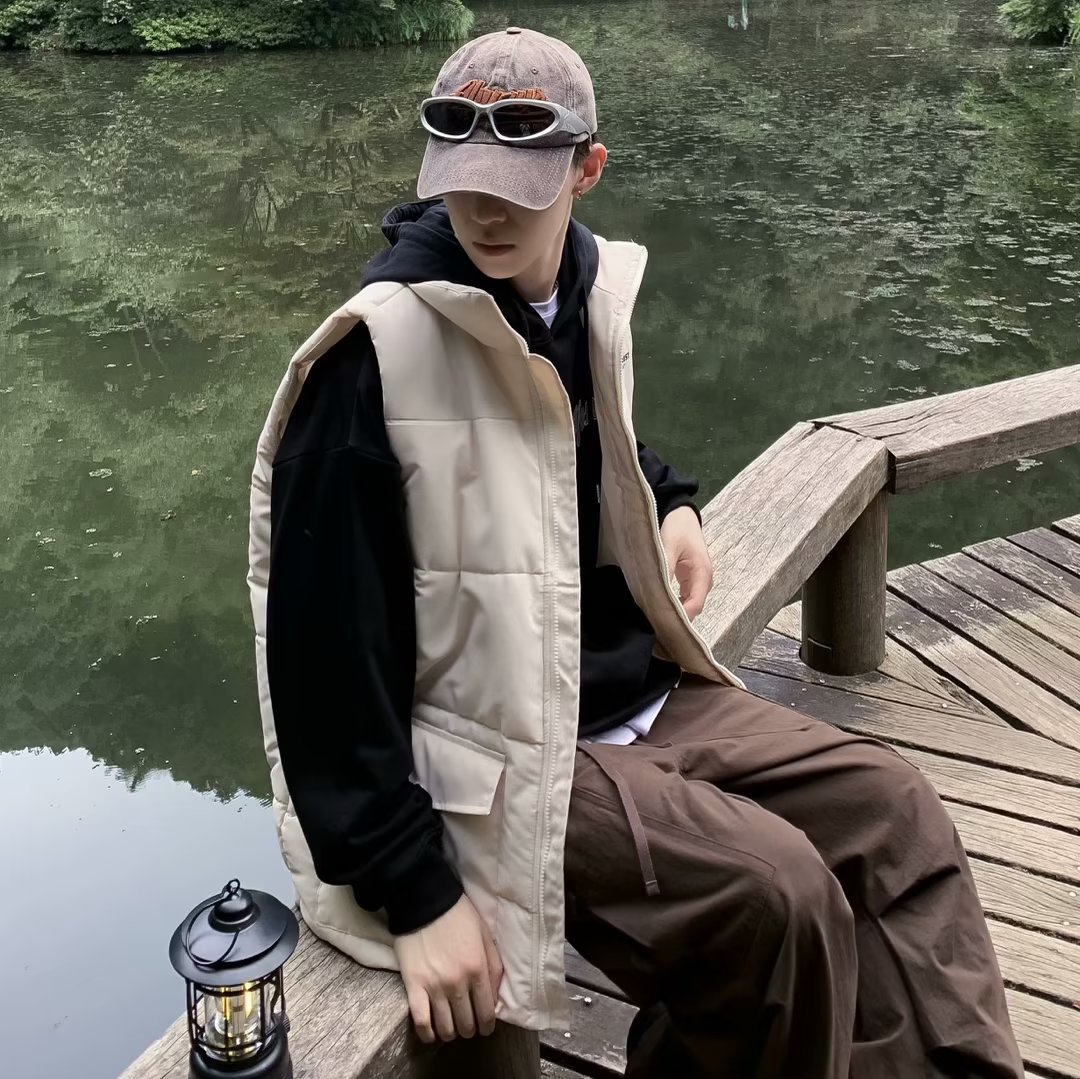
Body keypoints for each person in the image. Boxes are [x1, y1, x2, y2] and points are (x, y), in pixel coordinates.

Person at [247, 26, 1024, 1078]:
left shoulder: (577, 290)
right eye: (464, 181)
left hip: (625, 690)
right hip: (491, 754)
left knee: (893, 811)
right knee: (775, 894)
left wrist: (669, 499)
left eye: (519, 185)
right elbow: (319, 667)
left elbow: (573, 445)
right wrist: (417, 892)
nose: (485, 210)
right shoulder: (369, 364)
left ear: (587, 168)